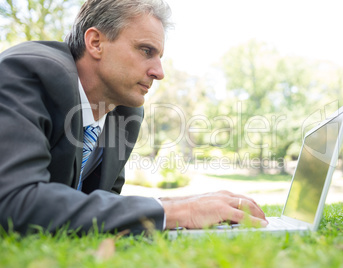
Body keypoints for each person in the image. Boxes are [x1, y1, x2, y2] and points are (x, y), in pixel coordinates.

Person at [0, 0, 268, 235]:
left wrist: (178, 206)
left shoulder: (124, 112)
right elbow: (15, 200)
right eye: (145, 50)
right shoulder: (29, 73)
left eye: (159, 56)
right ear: (96, 43)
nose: (159, 72)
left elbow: (98, 204)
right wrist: (173, 211)